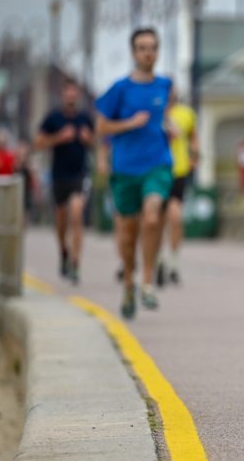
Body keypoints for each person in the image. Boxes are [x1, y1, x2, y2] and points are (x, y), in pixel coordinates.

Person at [95, 27, 174, 319]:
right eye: (142, 48)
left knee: (153, 217)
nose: (148, 53)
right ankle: (128, 282)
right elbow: (101, 128)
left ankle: (148, 281)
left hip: (157, 163)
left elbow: (166, 115)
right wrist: (129, 124)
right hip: (126, 168)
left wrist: (170, 127)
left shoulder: (166, 85)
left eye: (152, 47)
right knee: (127, 237)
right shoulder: (119, 89)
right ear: (133, 52)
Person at [36, 81, 94, 282]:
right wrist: (58, 138)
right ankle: (63, 251)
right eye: (67, 93)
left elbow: (98, 142)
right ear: (62, 95)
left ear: (77, 95)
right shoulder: (53, 118)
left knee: (77, 213)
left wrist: (89, 140)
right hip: (59, 175)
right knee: (61, 218)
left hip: (79, 174)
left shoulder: (85, 118)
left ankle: (76, 262)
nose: (71, 96)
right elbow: (38, 142)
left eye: (73, 93)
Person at [162, 90, 198, 285]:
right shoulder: (153, 111)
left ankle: (173, 261)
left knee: (175, 217)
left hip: (178, 170)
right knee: (154, 218)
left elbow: (193, 136)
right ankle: (157, 258)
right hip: (155, 170)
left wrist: (195, 155)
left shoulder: (186, 113)